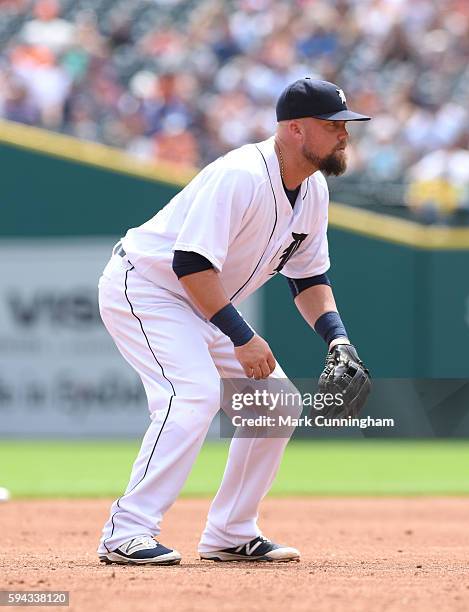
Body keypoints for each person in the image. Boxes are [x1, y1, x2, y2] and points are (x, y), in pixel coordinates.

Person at [97, 78, 370, 566]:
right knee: (192, 393)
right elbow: (190, 264)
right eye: (332, 125)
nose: (344, 134)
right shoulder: (241, 174)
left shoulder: (314, 190)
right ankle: (127, 530)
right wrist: (241, 337)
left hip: (201, 301)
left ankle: (230, 531)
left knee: (276, 405)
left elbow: (308, 279)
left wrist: (338, 340)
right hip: (147, 288)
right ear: (295, 131)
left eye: (345, 125)